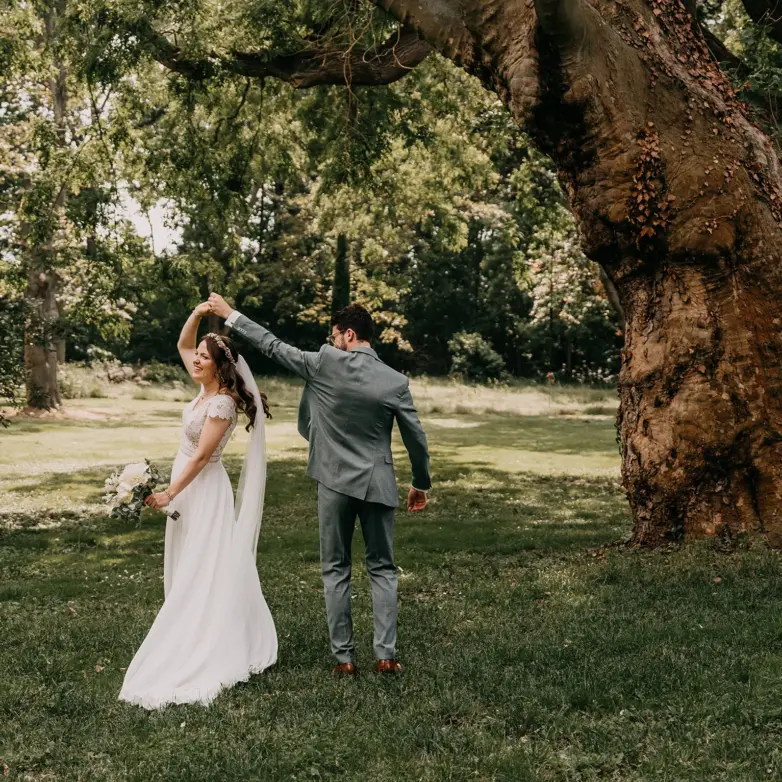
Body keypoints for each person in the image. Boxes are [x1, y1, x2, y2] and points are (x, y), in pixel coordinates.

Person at [208, 293, 431, 675]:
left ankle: (345, 660)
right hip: (378, 483)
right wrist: (419, 483)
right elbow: (416, 437)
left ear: (348, 334)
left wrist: (231, 315)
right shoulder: (395, 381)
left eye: (335, 336)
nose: (332, 342)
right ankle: (385, 656)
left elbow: (272, 345)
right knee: (382, 568)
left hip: (332, 481)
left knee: (336, 568)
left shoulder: (324, 362)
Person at [118, 303, 277, 709]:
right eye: (198, 356)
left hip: (202, 489)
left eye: (204, 358)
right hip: (187, 483)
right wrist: (197, 313)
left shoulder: (221, 402)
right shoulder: (204, 388)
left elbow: (203, 456)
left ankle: (204, 632)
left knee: (204, 562)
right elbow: (183, 343)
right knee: (190, 556)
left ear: (219, 366)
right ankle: (189, 618)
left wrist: (170, 493)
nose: (195, 360)